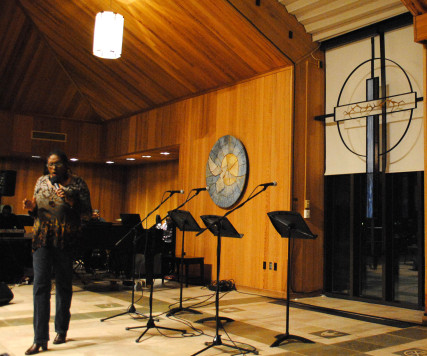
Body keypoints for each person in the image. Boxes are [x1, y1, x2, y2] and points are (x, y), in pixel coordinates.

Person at [23, 149, 92, 355]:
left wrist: (72, 202)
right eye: (50, 165)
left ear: (66, 165)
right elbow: (37, 209)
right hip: (42, 237)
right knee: (40, 286)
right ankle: (39, 339)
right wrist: (31, 206)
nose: (52, 168)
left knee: (63, 285)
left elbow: (87, 213)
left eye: (56, 164)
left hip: (65, 239)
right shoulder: (41, 181)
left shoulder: (78, 184)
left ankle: (61, 329)